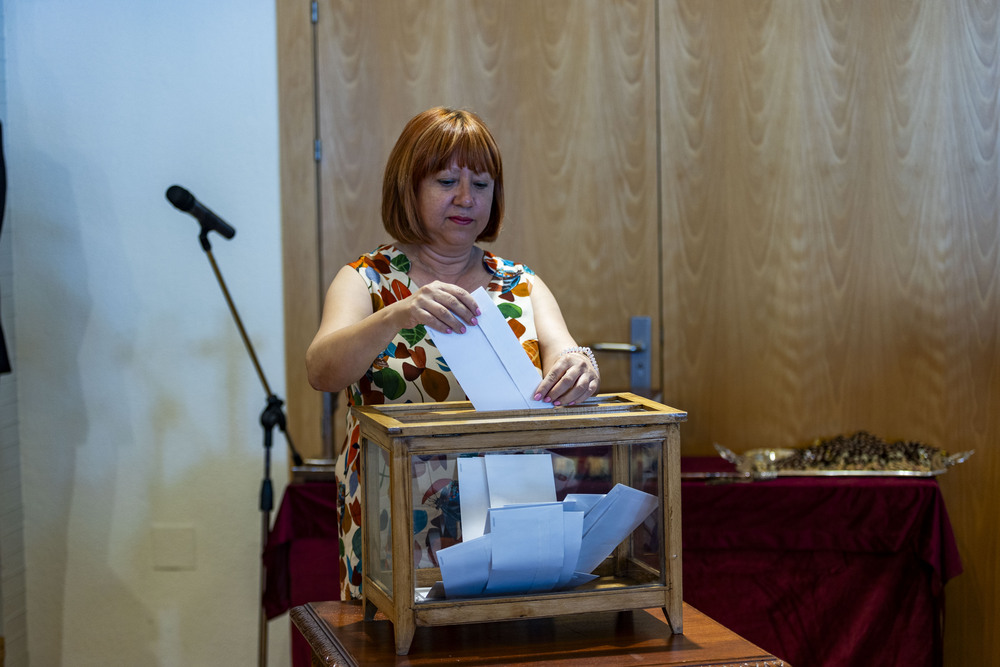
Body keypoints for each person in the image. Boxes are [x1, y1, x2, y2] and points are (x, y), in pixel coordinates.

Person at [306, 106, 600, 600]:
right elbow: (321, 370)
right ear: (410, 187)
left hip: (508, 512)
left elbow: (564, 353)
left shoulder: (520, 283)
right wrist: (396, 315)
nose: (466, 198)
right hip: (396, 515)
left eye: (481, 185)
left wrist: (580, 367)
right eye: (446, 181)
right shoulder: (366, 279)